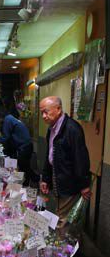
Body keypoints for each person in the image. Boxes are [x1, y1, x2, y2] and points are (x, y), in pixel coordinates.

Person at [40, 96, 91, 230]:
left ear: (58, 109)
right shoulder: (51, 128)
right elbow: (49, 155)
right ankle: (66, 245)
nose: (43, 116)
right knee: (61, 216)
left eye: (46, 112)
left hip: (69, 183)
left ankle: (65, 248)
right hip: (58, 180)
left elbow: (81, 158)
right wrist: (45, 178)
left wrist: (84, 184)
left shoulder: (72, 129)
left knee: (63, 221)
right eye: (42, 113)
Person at [0, 100, 39, 186]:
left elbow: (6, 137)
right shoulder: (10, 117)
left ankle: (32, 181)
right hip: (27, 145)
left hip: (24, 146)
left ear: (0, 116)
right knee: (25, 166)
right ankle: (31, 180)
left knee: (24, 166)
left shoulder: (7, 120)